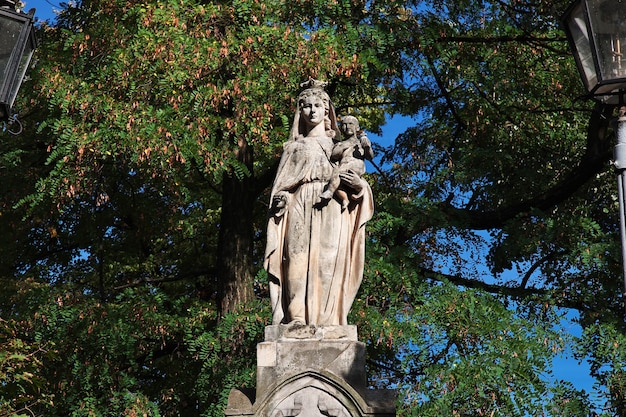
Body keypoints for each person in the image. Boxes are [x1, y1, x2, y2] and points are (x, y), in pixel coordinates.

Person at [264, 80, 374, 326]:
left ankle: (328, 321)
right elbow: (280, 187)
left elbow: (360, 187)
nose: (312, 111)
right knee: (296, 258)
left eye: (317, 106)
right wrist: (280, 199)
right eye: (306, 106)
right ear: (300, 112)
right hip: (299, 203)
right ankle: (297, 318)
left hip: (332, 206)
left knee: (327, 261)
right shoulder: (294, 147)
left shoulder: (340, 149)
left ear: (327, 111)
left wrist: (357, 186)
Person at [318, 115, 374, 210]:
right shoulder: (341, 143)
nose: (347, 127)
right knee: (336, 180)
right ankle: (344, 199)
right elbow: (335, 154)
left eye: (350, 124)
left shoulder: (361, 143)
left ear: (357, 128)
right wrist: (346, 144)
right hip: (343, 166)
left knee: (336, 174)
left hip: (355, 165)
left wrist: (367, 147)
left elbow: (370, 156)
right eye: (344, 124)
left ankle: (330, 191)